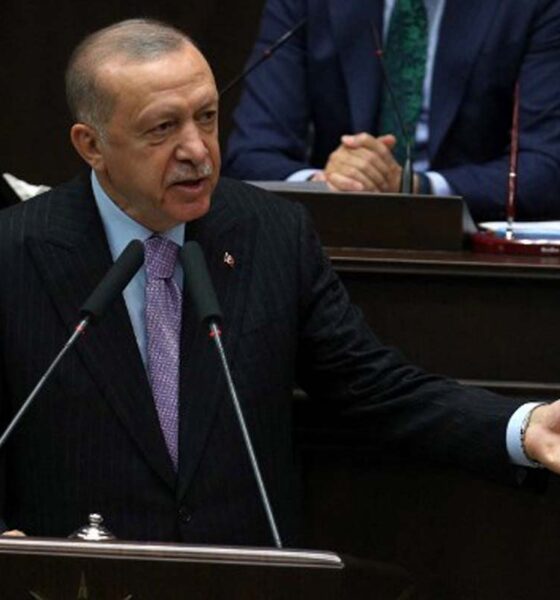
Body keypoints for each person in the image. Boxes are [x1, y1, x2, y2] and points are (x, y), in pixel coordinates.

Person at [1, 19, 560, 545]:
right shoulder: (15, 251)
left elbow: (373, 386)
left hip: (246, 577)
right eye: (163, 128)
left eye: (207, 117)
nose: (197, 150)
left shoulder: (270, 233)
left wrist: (524, 427)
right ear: (92, 145)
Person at [223, 0, 560, 223]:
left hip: (474, 254)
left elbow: (546, 169)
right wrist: (328, 183)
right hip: (330, 241)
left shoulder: (531, 7)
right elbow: (251, 153)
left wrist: (414, 187)